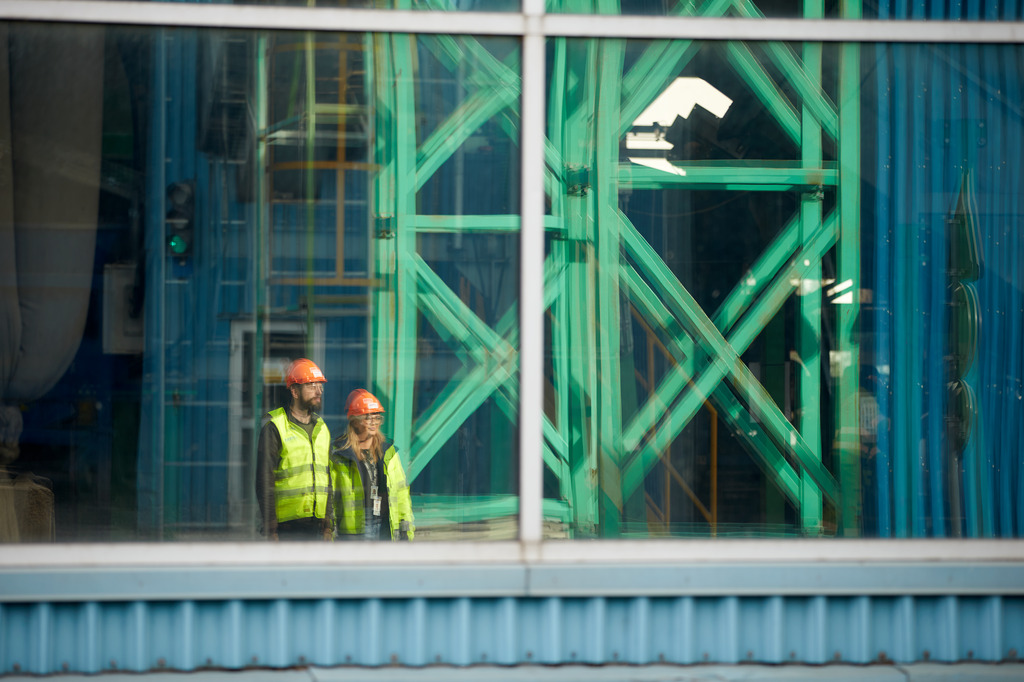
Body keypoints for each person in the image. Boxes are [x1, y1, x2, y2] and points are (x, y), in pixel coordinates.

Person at [255, 358, 332, 541]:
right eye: (311, 385)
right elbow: (264, 480)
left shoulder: (322, 428)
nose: (318, 391)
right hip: (286, 528)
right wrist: (270, 526)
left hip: (317, 527)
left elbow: (328, 478)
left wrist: (329, 523)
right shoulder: (276, 427)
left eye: (320, 386)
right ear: (294, 391)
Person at [331, 388, 415, 541]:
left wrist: (405, 529)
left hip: (384, 525)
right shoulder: (339, 454)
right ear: (354, 420)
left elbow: (402, 493)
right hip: (352, 532)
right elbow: (330, 497)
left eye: (377, 418)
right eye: (368, 418)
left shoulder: (388, 453)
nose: (374, 423)